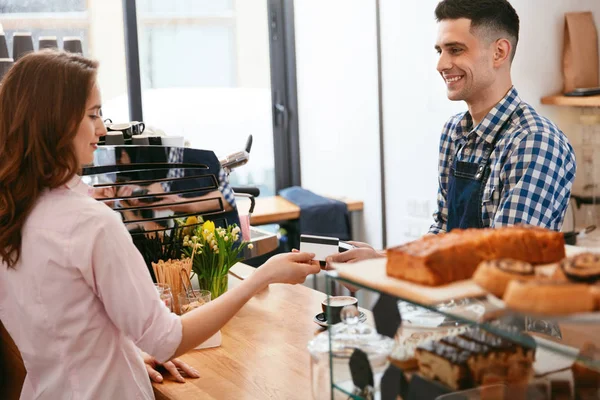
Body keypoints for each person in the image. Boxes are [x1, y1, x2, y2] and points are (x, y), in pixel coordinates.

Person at [0, 50, 320, 399]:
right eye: (92, 114)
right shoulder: (90, 224)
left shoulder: (13, 213)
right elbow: (166, 339)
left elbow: (63, 328)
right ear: (54, 122)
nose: (102, 129)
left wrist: (121, 352)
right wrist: (261, 276)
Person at [328, 0, 576, 265]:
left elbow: (505, 259)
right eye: (440, 51)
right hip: (450, 300)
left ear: (499, 53)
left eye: (455, 50)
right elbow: (443, 232)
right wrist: (378, 258)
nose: (441, 64)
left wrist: (387, 266)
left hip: (503, 304)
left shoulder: (534, 141)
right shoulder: (454, 131)